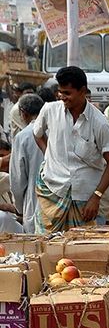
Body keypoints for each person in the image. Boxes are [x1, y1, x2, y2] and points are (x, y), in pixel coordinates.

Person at [33, 66, 109, 232]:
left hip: (85, 197)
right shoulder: (49, 110)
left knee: (84, 245)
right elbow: (37, 134)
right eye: (60, 92)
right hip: (52, 190)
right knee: (45, 244)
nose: (62, 97)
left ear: (83, 91)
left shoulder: (100, 123)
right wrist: (48, 155)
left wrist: (96, 196)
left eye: (67, 93)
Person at [10, 93, 43, 233]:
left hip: (34, 204)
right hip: (60, 205)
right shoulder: (56, 130)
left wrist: (19, 208)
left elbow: (17, 181)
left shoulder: (23, 137)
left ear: (23, 113)